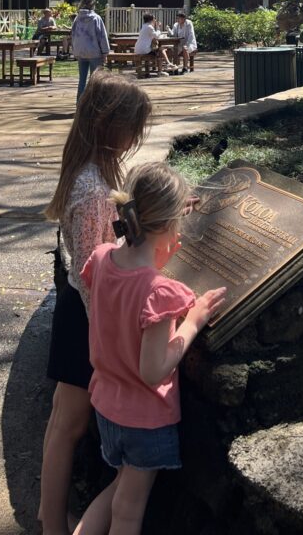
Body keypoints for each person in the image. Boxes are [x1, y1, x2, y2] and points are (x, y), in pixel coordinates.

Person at [73, 162, 226, 535]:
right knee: (128, 510)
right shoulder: (160, 292)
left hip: (107, 408)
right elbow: (153, 370)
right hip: (143, 420)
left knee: (115, 490)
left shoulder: (102, 259)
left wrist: (165, 222)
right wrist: (193, 320)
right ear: (170, 226)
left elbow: (121, 302)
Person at [39, 71, 152, 535]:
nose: (135, 140)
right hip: (85, 319)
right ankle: (51, 525)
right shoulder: (90, 189)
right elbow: (92, 273)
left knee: (63, 421)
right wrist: (114, 334)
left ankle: (50, 513)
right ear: (109, 125)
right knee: (69, 424)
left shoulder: (97, 172)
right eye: (133, 129)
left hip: (83, 315)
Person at [71, 0, 110, 101]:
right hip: (94, 52)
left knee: (82, 80)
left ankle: (80, 104)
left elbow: (73, 34)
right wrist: (105, 52)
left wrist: (74, 50)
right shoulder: (96, 18)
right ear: (92, 5)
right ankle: (93, 103)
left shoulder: (77, 18)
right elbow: (102, 36)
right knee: (95, 80)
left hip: (81, 52)